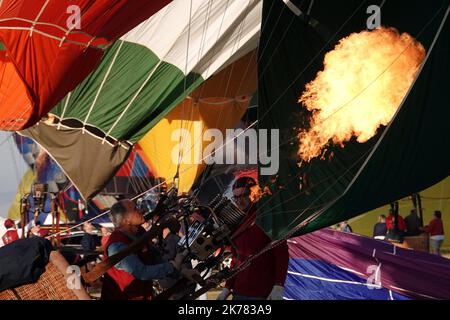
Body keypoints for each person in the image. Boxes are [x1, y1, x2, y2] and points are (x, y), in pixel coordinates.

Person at [100, 199, 194, 300]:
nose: (141, 211)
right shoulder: (117, 245)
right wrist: (172, 267)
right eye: (135, 209)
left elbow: (155, 258)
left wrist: (181, 271)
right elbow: (142, 272)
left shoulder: (139, 233)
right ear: (125, 220)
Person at [217, 177, 289, 300]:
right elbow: (236, 258)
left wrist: (279, 285)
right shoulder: (238, 222)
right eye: (236, 197)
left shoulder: (267, 218)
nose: (239, 201)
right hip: (239, 292)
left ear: (253, 193)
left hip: (261, 293)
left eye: (243, 196)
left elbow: (281, 255)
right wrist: (227, 287)